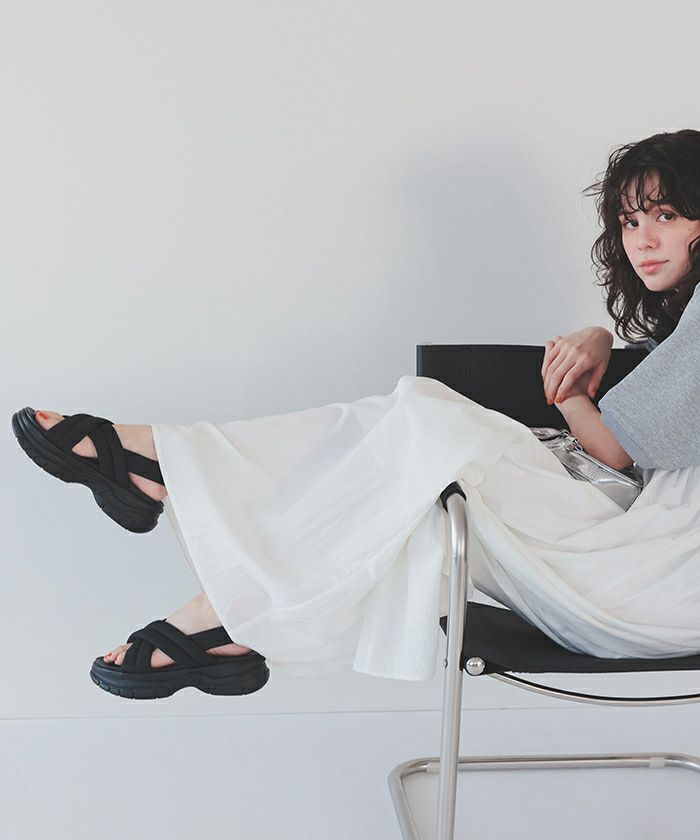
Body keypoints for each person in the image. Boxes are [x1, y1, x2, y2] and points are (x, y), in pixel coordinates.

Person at [13, 129, 700, 701]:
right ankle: (213, 594)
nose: (642, 239)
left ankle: (173, 494)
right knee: (423, 442)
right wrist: (602, 339)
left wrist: (573, 390)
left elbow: (614, 449)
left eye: (666, 215)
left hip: (651, 583)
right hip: (647, 565)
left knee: (430, 427)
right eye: (630, 220)